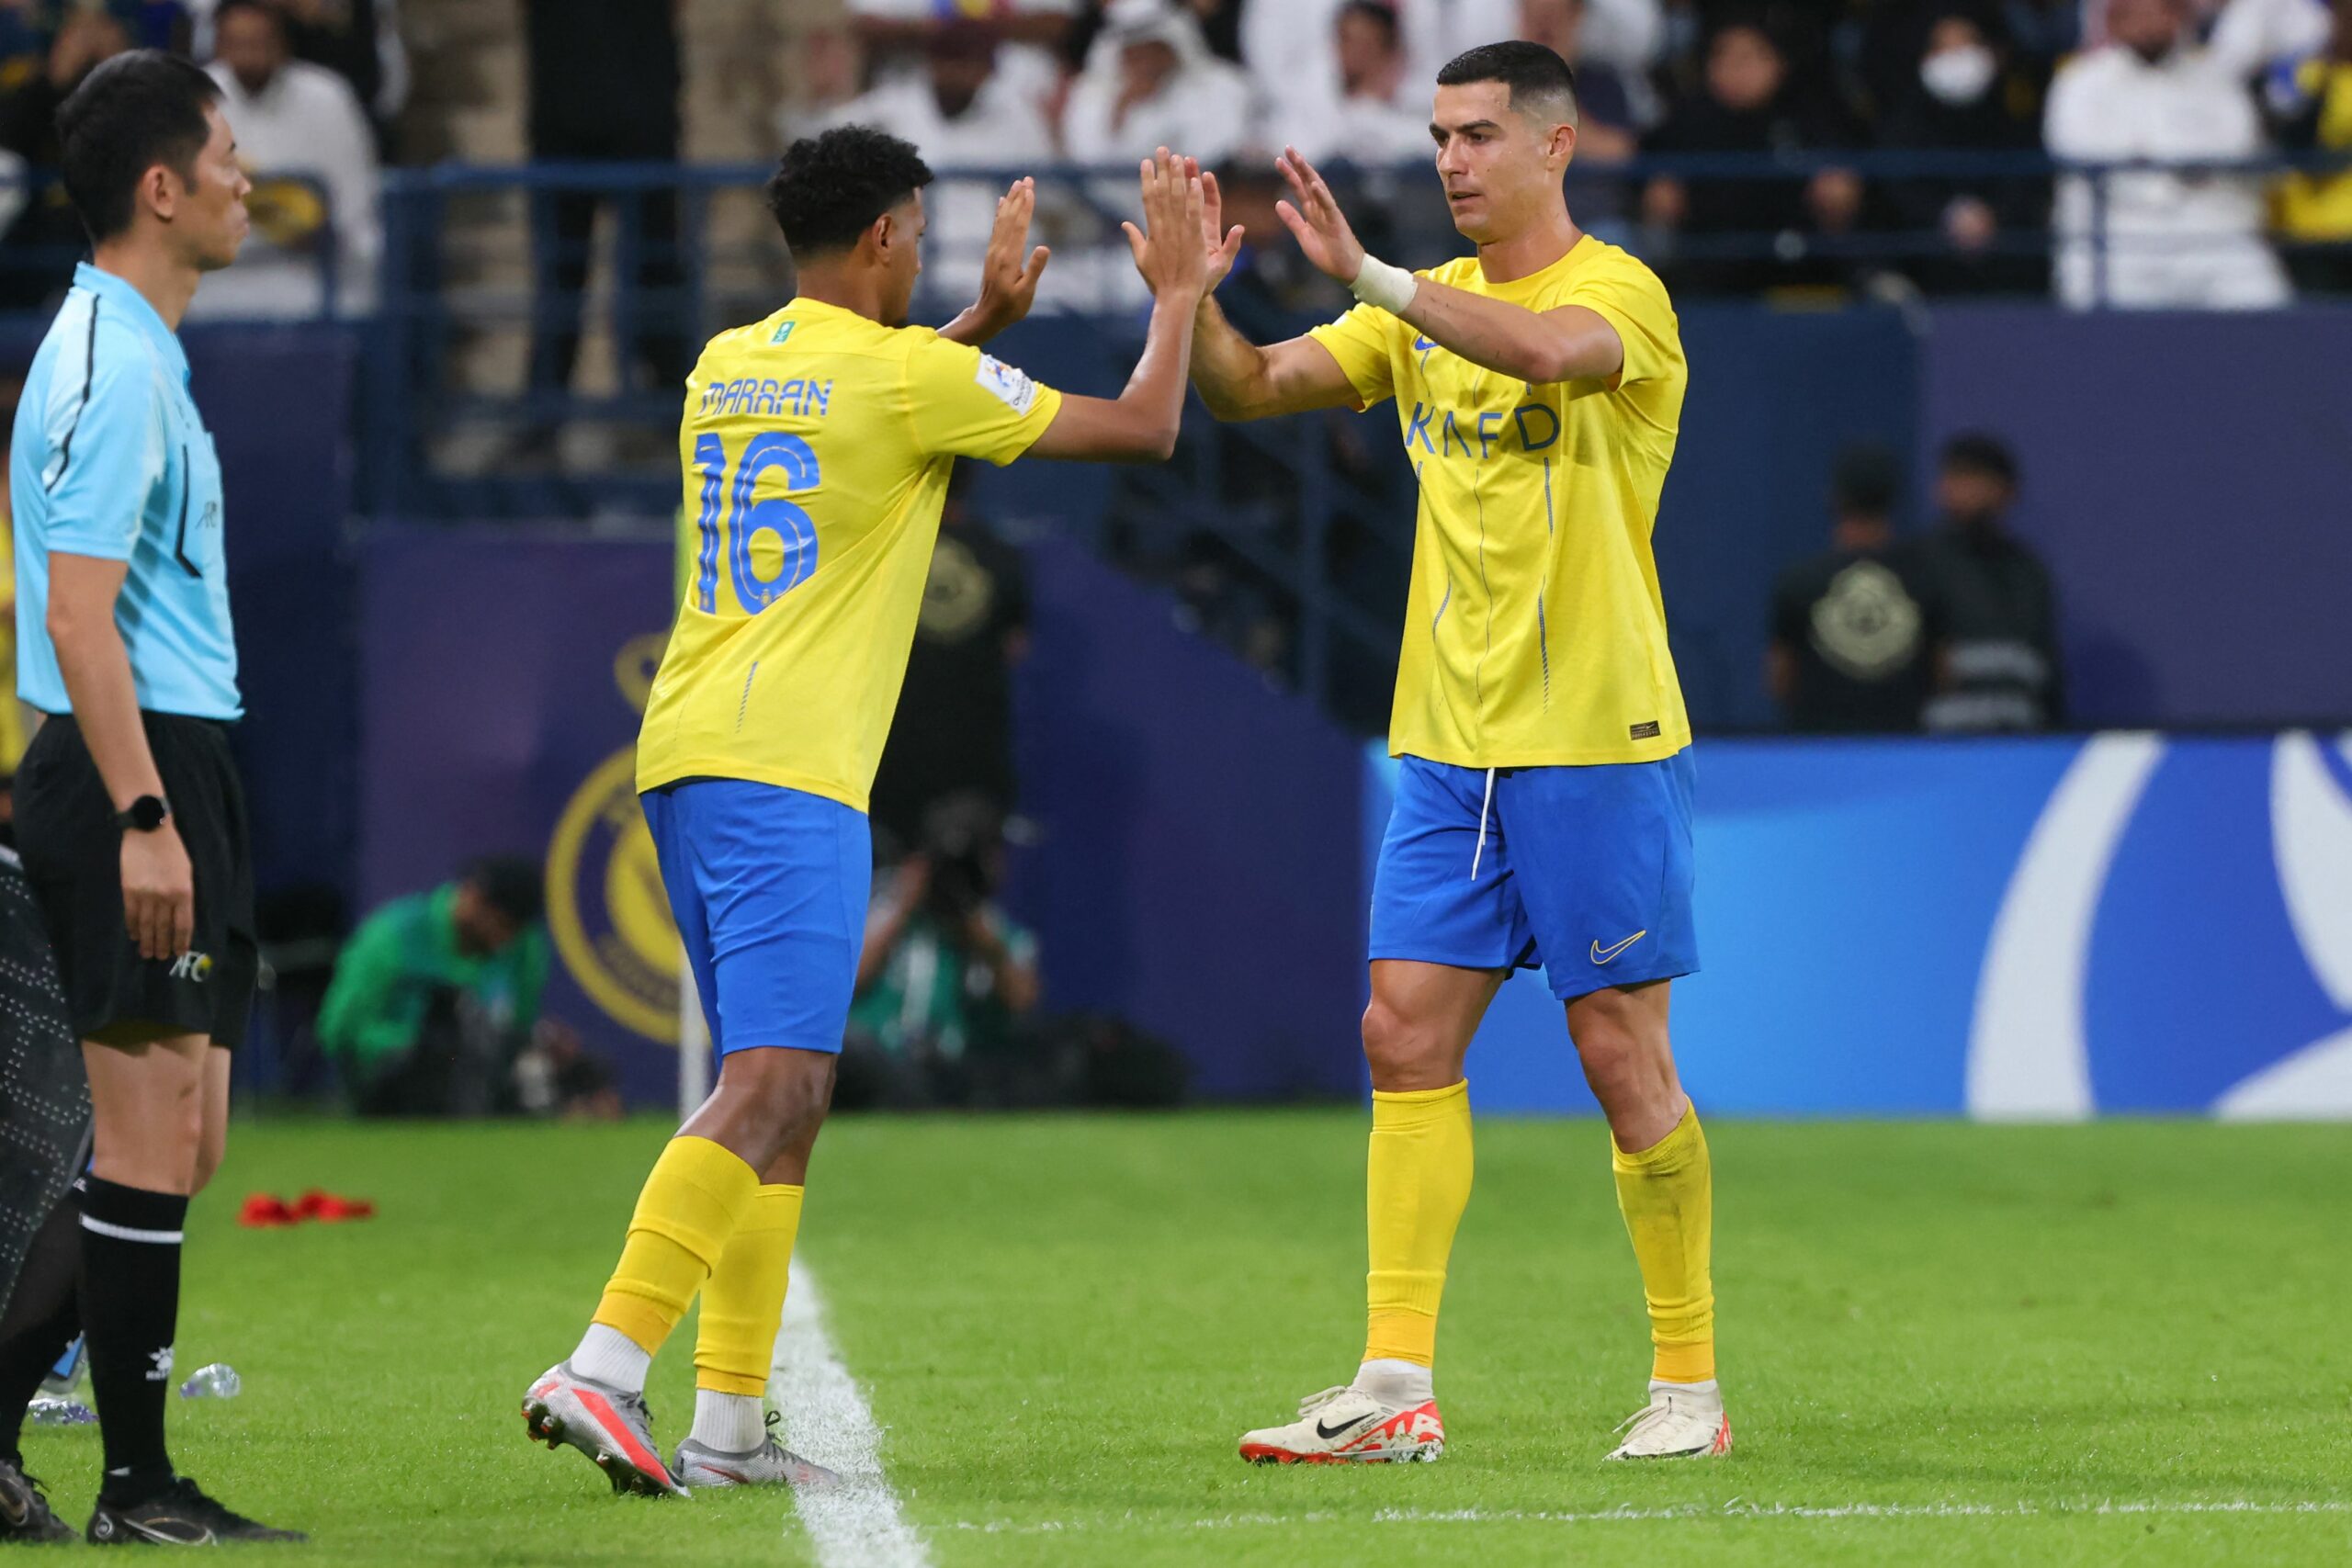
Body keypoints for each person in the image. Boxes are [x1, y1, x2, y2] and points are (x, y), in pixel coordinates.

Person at [519, 128, 1212, 1496]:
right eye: (922, 231)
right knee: (774, 1083)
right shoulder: (912, 375)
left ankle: (725, 1430)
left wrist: (979, 326)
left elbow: (868, 419)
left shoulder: (726, 366)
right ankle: (602, 1363)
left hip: (689, 754)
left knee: (788, 1094)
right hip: (790, 770)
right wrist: (1179, 291)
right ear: (891, 236)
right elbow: (1145, 424)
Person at [1159, 39, 1727, 1463]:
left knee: (1619, 1056)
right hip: (1448, 745)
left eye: (1478, 134)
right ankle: (1393, 1380)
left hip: (1596, 734)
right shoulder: (1424, 308)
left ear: (1557, 145)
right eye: (1439, 137)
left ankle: (1689, 1387)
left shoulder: (1620, 296)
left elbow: (1549, 357)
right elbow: (1255, 387)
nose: (1454, 160)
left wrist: (1374, 279)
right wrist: (1190, 308)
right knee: (1400, 1034)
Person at [1, 50, 300, 1543]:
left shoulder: (142, 348)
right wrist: (140, 813)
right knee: (139, 1137)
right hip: (132, 764)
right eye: (228, 157)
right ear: (161, 188)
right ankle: (136, 1481)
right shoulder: (109, 366)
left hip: (181, 754)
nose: (250, 181)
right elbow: (74, 617)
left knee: (184, 1141)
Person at [2044, 0, 2291, 310]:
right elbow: (2080, 154)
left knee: (2265, 303)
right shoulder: (2081, 83)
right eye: (2137, 14)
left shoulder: (2216, 81)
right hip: (2119, 239)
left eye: (2162, 11)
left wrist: (2150, 156)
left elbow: (2238, 148)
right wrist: (2184, 163)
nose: (2149, 24)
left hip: (2210, 234)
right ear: (2114, 21)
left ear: (2181, 17)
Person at [522, 0, 687, 401]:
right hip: (568, 121)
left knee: (655, 268)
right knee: (562, 273)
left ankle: (668, 403)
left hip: (640, 118)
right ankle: (545, 408)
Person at [866, 468, 1031, 850]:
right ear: (970, 481)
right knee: (956, 885)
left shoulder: (883, 551)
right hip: (970, 759)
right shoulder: (1002, 557)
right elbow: (1016, 647)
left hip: (885, 751)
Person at [1641, 16, 1861, 297]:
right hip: (1708, 270)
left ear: (1776, 64)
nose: (1733, 69)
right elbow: (1653, 181)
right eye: (1721, 57)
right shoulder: (1689, 119)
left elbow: (1844, 180)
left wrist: (1837, 198)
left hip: (1801, 267)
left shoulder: (1807, 115)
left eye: (1746, 58)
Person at [315, 856, 550, 1117]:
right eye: (503, 925)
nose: (506, 942)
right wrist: (411, 1044)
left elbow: (518, 1028)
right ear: (472, 897)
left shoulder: (525, 946)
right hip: (398, 1080)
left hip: (480, 1076)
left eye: (517, 931)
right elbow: (339, 1031)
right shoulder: (393, 935)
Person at [844, 795, 1042, 1104]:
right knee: (850, 1048)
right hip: (877, 1060)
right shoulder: (878, 912)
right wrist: (902, 904)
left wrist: (977, 932)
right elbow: (848, 982)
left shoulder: (995, 932)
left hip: (955, 1072)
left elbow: (1022, 1001)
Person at [192, 0, 379, 320]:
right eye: (238, 44)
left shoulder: (329, 97)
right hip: (219, 284)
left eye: (260, 42)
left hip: (315, 278)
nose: (249, 55)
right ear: (218, 46)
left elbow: (357, 208)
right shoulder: (190, 102)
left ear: (283, 44)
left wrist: (312, 230)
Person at [1767, 443, 1949, 733]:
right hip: (1906, 751)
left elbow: (1780, 680)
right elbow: (1943, 677)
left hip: (1817, 750)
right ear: (1892, 499)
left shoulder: (1800, 581)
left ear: (1834, 497)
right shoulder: (1924, 580)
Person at [1879, 5, 2048, 296]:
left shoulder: (2014, 114)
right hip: (1928, 268)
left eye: (1966, 44)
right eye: (1943, 47)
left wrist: (1995, 215)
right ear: (1924, 57)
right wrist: (1948, 215)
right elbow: (1900, 191)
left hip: (2012, 268)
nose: (1956, 56)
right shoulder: (1905, 125)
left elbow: (2029, 182)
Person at [1919, 433, 2066, 732]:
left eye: (1976, 478)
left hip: (2019, 743)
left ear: (2007, 491)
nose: (1965, 490)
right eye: (1956, 477)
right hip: (1938, 746)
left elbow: (2047, 674)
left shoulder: (2029, 572)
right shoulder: (1916, 567)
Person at [1277, 2, 1437, 167]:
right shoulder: (1312, 108)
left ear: (1385, 48)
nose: (1347, 51)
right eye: (1343, 39)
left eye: (1361, 43)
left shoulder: (1419, 111)